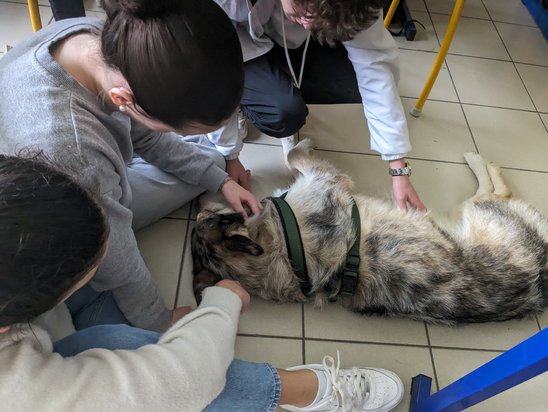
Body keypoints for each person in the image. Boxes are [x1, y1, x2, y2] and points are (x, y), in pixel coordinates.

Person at [0, 153, 405, 412]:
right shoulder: (25, 394)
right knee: (136, 355)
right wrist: (221, 303)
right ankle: (306, 391)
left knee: (115, 336)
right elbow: (186, 379)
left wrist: (218, 173)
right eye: (96, 259)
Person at [0, 0, 262, 333]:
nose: (172, 135)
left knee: (209, 163)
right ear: (125, 99)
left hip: (80, 175)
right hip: (50, 226)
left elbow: (148, 138)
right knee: (125, 331)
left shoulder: (105, 39)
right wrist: (158, 319)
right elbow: (114, 253)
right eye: (174, 128)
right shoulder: (74, 151)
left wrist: (222, 180)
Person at [208, 0, 427, 212]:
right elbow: (210, 59)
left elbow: (375, 65)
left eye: (315, 15)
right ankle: (246, 98)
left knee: (351, 82)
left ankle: (282, 79)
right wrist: (230, 155)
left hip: (289, 39)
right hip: (238, 42)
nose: (308, 23)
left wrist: (398, 167)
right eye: (305, 10)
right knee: (282, 112)